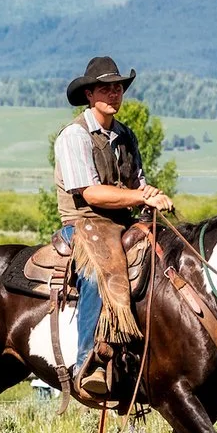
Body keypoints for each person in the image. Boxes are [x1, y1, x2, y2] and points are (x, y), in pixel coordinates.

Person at [53, 56, 174, 394]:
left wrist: (150, 194)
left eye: (118, 87)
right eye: (105, 88)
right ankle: (87, 361)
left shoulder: (125, 136)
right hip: (85, 224)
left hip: (122, 223)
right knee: (96, 274)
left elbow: (138, 182)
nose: (114, 93)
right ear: (89, 94)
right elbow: (90, 192)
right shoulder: (74, 137)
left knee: (167, 258)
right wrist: (139, 197)